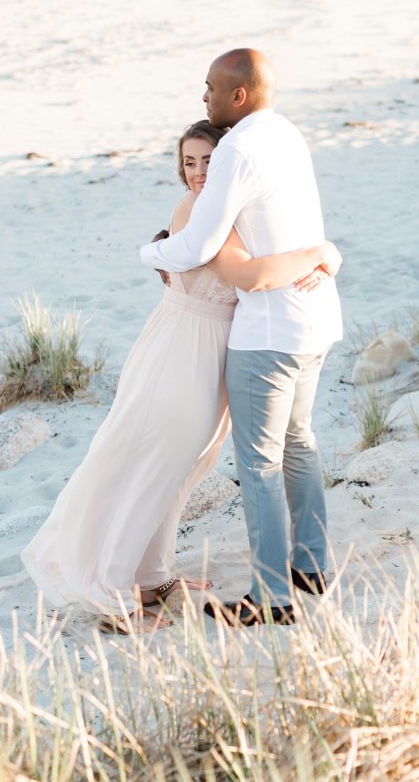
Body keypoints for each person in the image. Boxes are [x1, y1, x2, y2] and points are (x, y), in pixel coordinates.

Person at [22, 119, 339, 634]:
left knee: (182, 468)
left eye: (208, 162)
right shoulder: (200, 212)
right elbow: (248, 274)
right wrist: (323, 253)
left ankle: (152, 576)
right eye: (189, 162)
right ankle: (118, 599)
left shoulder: (234, 210)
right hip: (181, 347)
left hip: (213, 350)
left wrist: (329, 252)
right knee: (156, 467)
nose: (197, 173)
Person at [140, 50, 343, 627]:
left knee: (258, 464)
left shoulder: (237, 146)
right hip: (317, 318)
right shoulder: (287, 133)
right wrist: (328, 254)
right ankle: (311, 566)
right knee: (300, 442)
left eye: (209, 89)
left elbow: (200, 242)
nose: (202, 98)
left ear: (237, 96)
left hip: (270, 331)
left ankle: (273, 597)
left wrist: (150, 251)